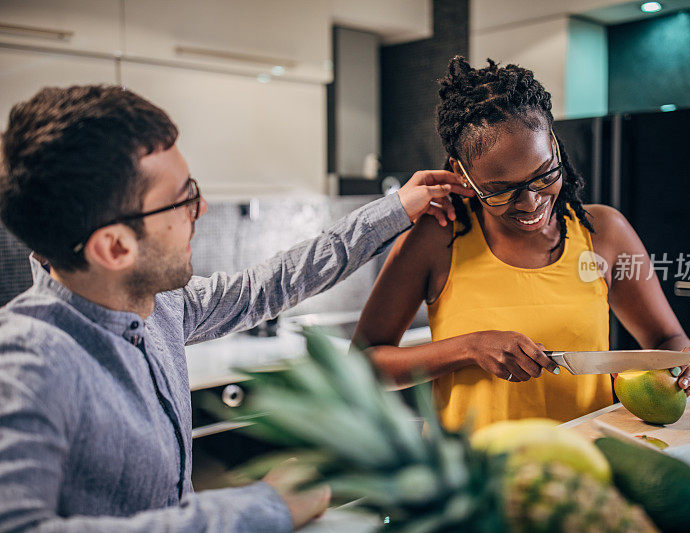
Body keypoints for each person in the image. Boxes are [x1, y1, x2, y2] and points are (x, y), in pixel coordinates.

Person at [0, 85, 472, 531]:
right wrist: (263, 507)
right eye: (183, 199)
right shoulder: (27, 364)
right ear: (115, 248)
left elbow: (267, 286)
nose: (201, 210)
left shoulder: (158, 304)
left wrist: (394, 209)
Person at [353, 57, 690, 432]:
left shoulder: (605, 233)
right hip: (471, 478)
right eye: (501, 191)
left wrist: (678, 366)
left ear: (554, 145)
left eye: (544, 174)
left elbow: (667, 339)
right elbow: (362, 366)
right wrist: (469, 348)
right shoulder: (436, 241)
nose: (531, 202)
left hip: (585, 468)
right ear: (460, 173)